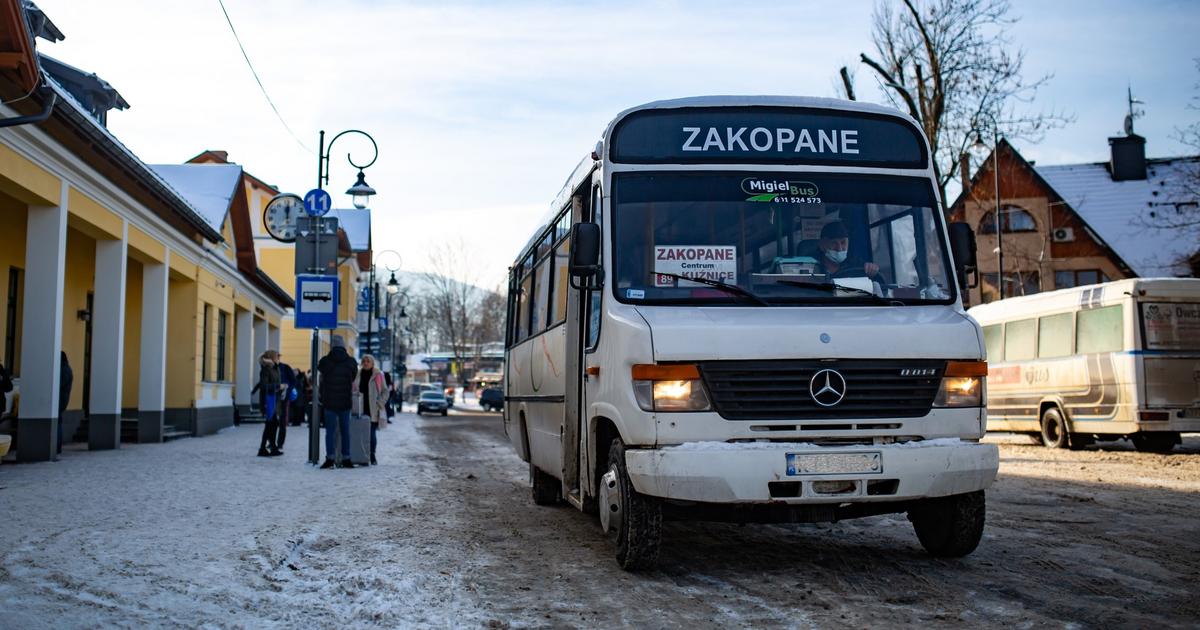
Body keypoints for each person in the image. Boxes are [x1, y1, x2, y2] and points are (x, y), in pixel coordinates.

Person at [317, 335, 357, 469]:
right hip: (345, 401)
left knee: (330, 431)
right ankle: (346, 458)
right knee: (346, 431)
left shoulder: (325, 361)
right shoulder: (351, 362)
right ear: (344, 346)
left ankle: (330, 458)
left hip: (329, 402)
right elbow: (353, 377)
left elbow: (320, 372)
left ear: (332, 346)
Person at [815, 221, 883, 282]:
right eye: (834, 243)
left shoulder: (857, 265)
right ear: (822, 245)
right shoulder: (812, 265)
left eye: (843, 242)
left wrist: (872, 271)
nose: (840, 248)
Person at [358, 354, 387, 465]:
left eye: (368, 361)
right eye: (364, 361)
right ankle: (362, 456)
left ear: (372, 363)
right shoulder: (358, 374)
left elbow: (385, 391)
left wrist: (380, 403)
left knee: (371, 434)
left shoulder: (378, 375)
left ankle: (372, 455)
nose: (365, 363)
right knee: (360, 433)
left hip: (373, 409)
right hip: (359, 408)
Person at [254, 350, 283, 457]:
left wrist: (281, 387)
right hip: (269, 401)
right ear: (271, 357)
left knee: (273, 424)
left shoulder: (276, 368)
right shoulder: (266, 369)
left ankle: (271, 447)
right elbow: (264, 386)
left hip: (275, 400)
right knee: (270, 424)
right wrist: (278, 386)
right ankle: (263, 448)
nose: (278, 358)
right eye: (277, 356)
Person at [58, 351, 72, 455]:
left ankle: (57, 447)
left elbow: (60, 384)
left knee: (57, 423)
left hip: (60, 399)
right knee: (58, 422)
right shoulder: (67, 369)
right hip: (63, 399)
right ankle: (57, 447)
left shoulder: (63, 370)